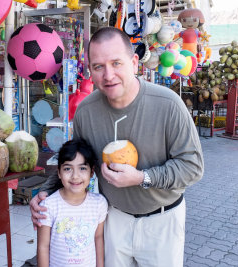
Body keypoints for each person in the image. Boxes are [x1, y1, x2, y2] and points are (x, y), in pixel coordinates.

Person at [31, 27, 204, 267]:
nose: (108, 75)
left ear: (134, 62)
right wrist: (46, 192)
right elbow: (78, 161)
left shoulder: (168, 105)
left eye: (116, 63)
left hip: (162, 221)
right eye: (99, 66)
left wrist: (143, 178)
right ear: (90, 70)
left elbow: (192, 167)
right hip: (113, 218)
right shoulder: (86, 112)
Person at [37, 139, 108, 267]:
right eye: (68, 169)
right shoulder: (49, 206)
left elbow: (98, 238)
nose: (75, 176)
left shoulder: (99, 204)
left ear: (92, 172)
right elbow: (43, 246)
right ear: (58, 172)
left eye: (82, 168)